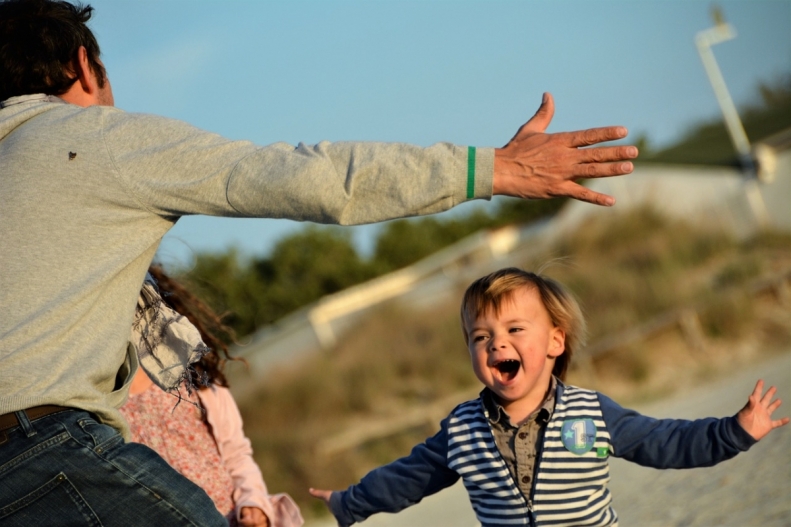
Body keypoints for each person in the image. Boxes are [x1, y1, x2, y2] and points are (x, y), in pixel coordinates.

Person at [0, 0, 637, 524]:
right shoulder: (92, 139)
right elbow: (309, 177)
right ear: (86, 66)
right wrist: (495, 168)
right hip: (47, 450)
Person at [309, 267, 789, 527]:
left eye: (515, 329)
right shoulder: (462, 429)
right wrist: (350, 503)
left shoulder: (593, 413)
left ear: (555, 343)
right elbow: (407, 477)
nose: (497, 343)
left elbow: (664, 442)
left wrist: (734, 432)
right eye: (481, 337)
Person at [120, 267, 303, 527]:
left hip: (231, 518)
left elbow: (236, 453)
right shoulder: (98, 403)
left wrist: (253, 504)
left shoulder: (194, 373)